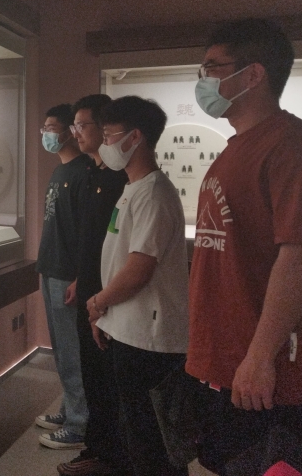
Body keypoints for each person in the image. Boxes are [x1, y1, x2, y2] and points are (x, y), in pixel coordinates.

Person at [188, 18, 302, 476]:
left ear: (253, 74)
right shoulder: (237, 148)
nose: (203, 79)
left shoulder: (294, 146)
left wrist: (259, 356)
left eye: (212, 67)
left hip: (272, 374)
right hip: (230, 362)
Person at [89, 96, 189, 476]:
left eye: (109, 135)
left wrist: (97, 303)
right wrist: (105, 314)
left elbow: (138, 270)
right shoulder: (133, 187)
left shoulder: (154, 193)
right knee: (137, 433)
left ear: (135, 138)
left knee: (153, 443)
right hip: (129, 328)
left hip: (149, 338)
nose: (104, 144)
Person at [57, 94, 130, 476]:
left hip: (105, 299)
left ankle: (106, 455)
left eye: (82, 125)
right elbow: (91, 240)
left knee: (104, 380)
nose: (76, 133)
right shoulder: (94, 175)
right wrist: (78, 280)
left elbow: (121, 250)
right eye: (74, 126)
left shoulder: (119, 180)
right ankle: (97, 449)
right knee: (92, 375)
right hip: (88, 290)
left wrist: (101, 299)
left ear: (103, 128)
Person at [34, 104, 90, 450]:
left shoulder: (83, 172)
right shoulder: (60, 171)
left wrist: (80, 278)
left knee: (72, 351)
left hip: (67, 275)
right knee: (61, 350)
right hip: (51, 268)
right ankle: (71, 409)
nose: (46, 134)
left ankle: (79, 423)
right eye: (44, 128)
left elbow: (87, 233)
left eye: (51, 128)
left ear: (70, 131)